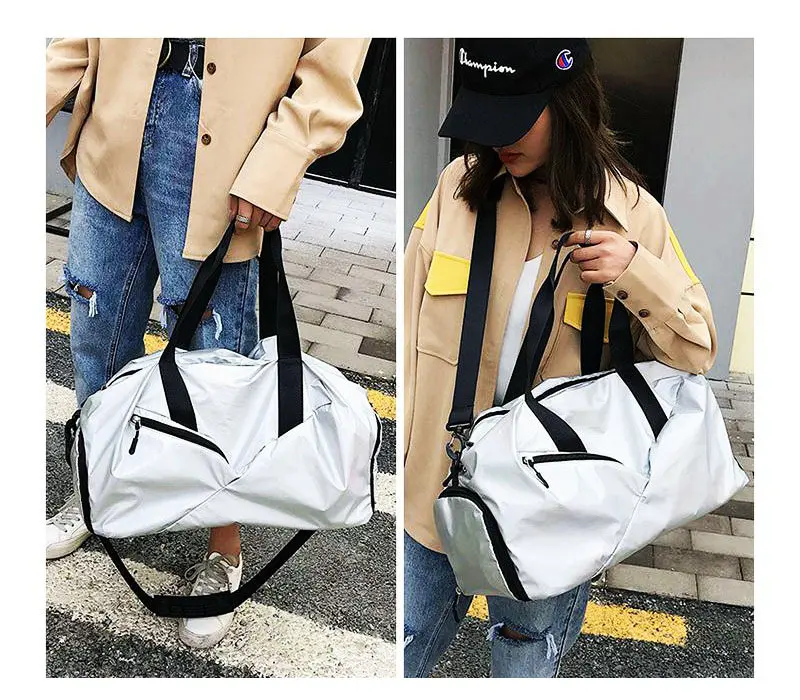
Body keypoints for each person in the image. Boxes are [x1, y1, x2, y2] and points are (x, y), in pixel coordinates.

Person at [403, 38, 717, 678]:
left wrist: (635, 271)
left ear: (567, 103)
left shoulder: (633, 216)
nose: (497, 139)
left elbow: (696, 349)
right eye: (485, 116)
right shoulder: (457, 189)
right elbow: (411, 330)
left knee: (524, 652)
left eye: (515, 118)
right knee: (405, 642)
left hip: (550, 506)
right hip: (439, 485)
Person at [45, 37, 370, 649]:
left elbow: (337, 48)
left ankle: (225, 547)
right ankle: (94, 488)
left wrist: (282, 156)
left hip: (227, 141)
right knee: (95, 328)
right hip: (114, 116)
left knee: (217, 370)